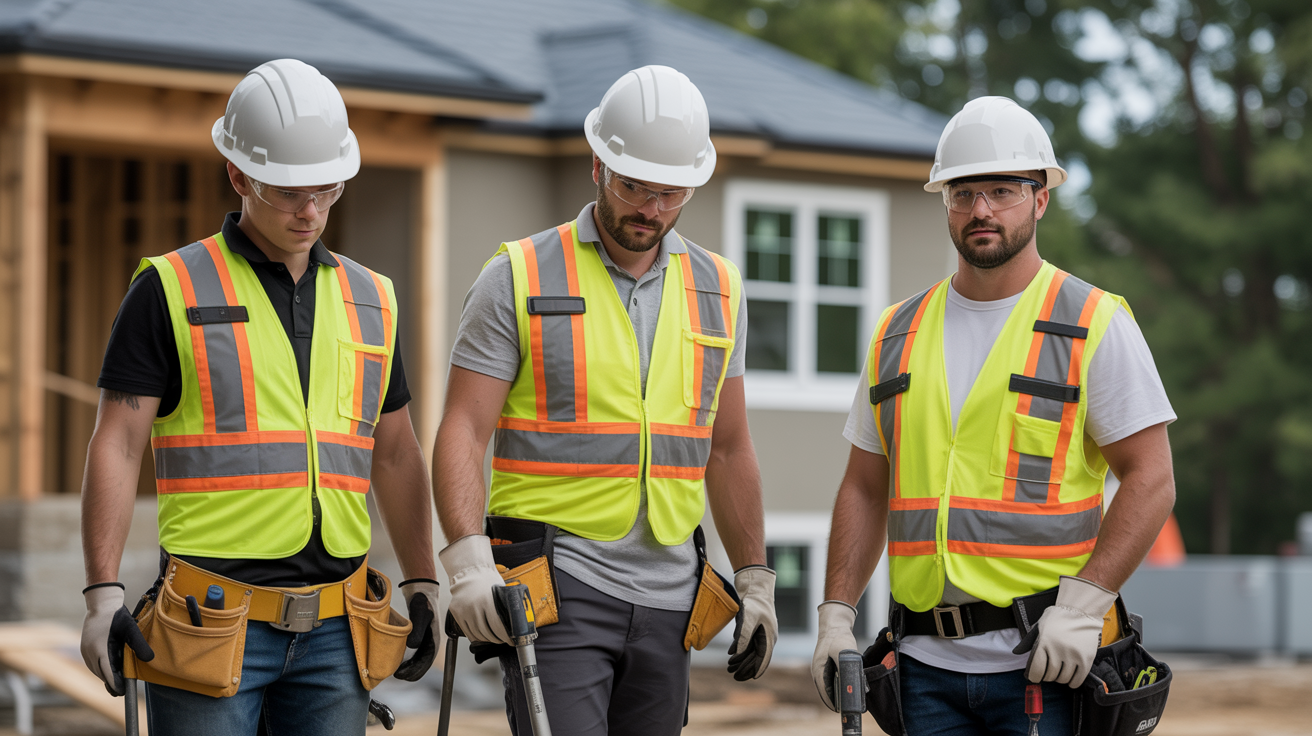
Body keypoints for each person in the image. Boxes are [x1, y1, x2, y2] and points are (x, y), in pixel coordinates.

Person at [78, 59, 441, 736]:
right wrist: (102, 594)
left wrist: (423, 578)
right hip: (208, 621)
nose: (310, 212)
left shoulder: (374, 299)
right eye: (288, 192)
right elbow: (119, 443)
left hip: (340, 626)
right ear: (240, 176)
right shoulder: (170, 288)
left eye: (326, 190)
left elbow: (394, 453)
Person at [812, 96, 1177, 735]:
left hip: (1044, 666)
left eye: (1002, 190)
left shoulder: (1094, 323)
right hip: (920, 671)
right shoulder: (896, 332)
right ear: (945, 200)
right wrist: (835, 614)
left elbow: (1151, 478)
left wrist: (1087, 606)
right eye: (963, 192)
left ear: (1040, 197)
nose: (981, 209)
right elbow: (865, 488)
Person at [433, 65, 777, 736]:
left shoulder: (719, 288)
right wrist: (468, 561)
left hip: (674, 597)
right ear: (598, 165)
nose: (649, 209)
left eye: (670, 193)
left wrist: (756, 579)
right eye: (634, 187)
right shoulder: (519, 274)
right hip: (557, 588)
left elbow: (730, 447)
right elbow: (463, 430)